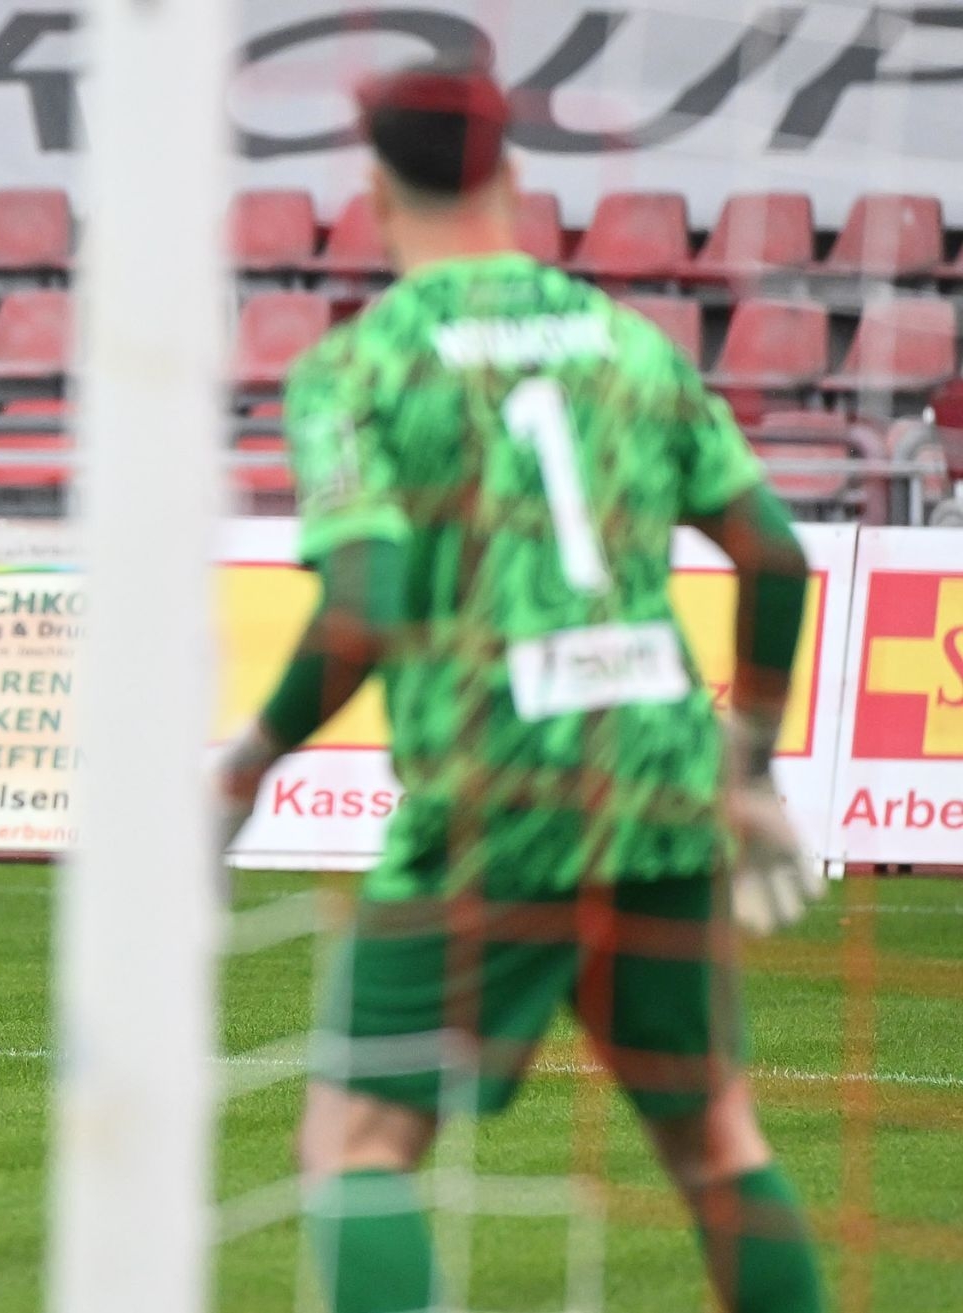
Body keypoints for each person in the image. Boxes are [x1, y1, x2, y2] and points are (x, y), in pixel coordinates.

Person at [218, 61, 826, 1313]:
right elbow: (775, 554)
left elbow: (363, 607)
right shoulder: (628, 344)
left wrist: (246, 763)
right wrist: (750, 763)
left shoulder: (361, 366)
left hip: (496, 786)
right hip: (659, 779)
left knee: (358, 1146)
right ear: (512, 174)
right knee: (716, 1139)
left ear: (374, 185)